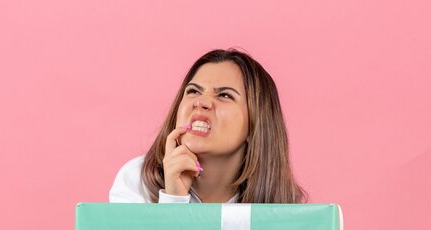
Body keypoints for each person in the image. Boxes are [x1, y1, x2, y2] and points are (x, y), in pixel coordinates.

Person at [109, 48, 306, 204]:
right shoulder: (136, 181)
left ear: (256, 124)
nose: (201, 102)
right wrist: (173, 200)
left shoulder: (283, 208)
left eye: (224, 95)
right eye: (193, 91)